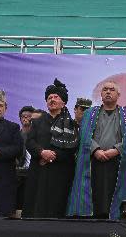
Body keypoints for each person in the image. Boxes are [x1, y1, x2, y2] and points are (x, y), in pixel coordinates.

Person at [67, 80, 126, 220]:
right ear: (101, 94)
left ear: (118, 94)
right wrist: (96, 150)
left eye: (112, 89)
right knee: (95, 191)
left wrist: (116, 150)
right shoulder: (89, 113)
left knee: (113, 191)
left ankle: (114, 217)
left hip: (117, 162)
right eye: (105, 89)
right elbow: (85, 134)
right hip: (93, 161)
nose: (108, 92)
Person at [24, 79, 79, 218]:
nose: (52, 100)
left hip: (61, 171)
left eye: (56, 97)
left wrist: (52, 156)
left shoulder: (71, 124)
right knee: (36, 207)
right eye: (49, 98)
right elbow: (29, 142)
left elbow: (73, 147)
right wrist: (42, 152)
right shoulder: (37, 122)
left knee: (58, 207)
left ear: (64, 102)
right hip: (39, 169)